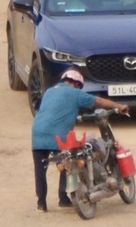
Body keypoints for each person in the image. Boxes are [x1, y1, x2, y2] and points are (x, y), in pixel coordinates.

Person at [31, 66, 126, 211]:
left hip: (37, 134)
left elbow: (53, 110)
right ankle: (63, 199)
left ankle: (41, 204)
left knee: (40, 170)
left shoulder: (49, 91)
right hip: (58, 136)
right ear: (76, 84)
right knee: (68, 163)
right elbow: (98, 102)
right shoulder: (75, 93)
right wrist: (119, 106)